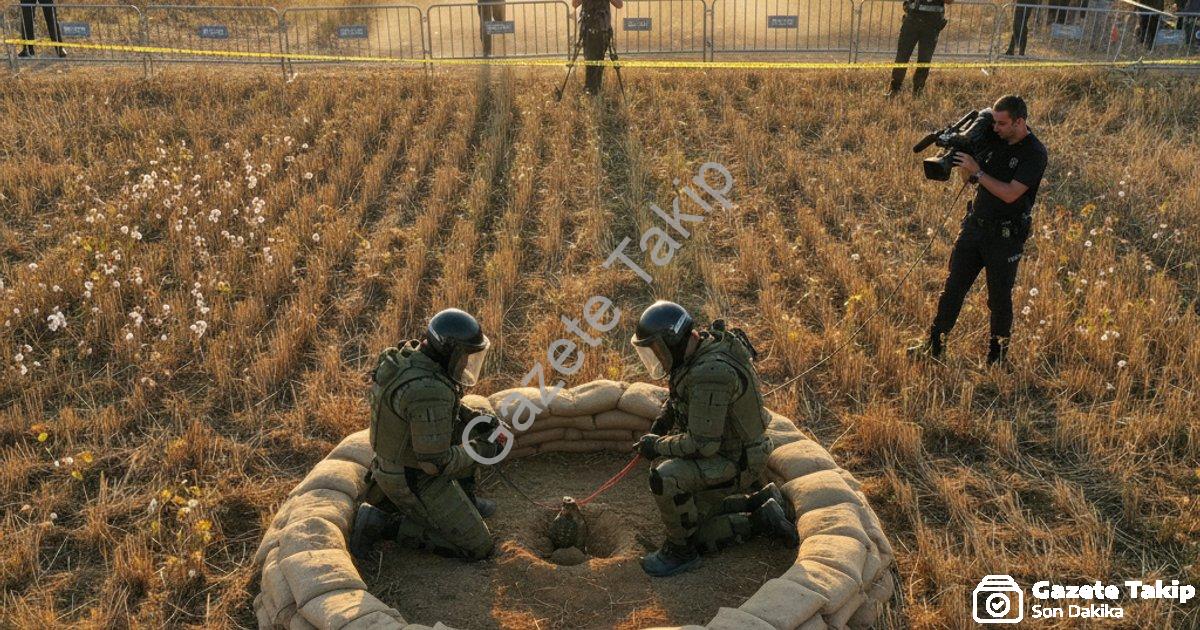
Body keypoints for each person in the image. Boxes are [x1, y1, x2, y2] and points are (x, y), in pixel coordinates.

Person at [630, 301, 798, 577]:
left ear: (674, 342)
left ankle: (683, 551)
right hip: (737, 449)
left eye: (658, 349)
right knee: (692, 511)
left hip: (737, 459)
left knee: (666, 479)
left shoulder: (710, 374)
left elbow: (702, 444)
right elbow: (679, 399)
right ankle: (761, 503)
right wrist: (661, 426)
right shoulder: (702, 347)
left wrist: (656, 446)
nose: (657, 358)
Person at [349, 308, 505, 561]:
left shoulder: (413, 358)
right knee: (478, 547)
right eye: (464, 355)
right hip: (412, 476)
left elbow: (431, 413)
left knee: (470, 430)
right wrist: (483, 449)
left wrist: (473, 418)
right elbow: (435, 463)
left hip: (397, 461)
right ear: (449, 351)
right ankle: (383, 524)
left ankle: (464, 499)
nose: (466, 363)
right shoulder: (428, 391)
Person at [914, 95, 1048, 366]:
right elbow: (971, 181)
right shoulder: (992, 139)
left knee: (999, 300)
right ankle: (934, 345)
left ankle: (997, 358)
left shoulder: (1034, 153)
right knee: (952, 289)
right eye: (994, 122)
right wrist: (966, 163)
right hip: (975, 227)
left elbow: (1010, 193)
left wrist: (978, 172)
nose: (995, 128)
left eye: (1002, 123)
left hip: (1005, 237)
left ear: (1019, 122)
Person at [886, 0, 954, 97]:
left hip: (931, 26)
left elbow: (949, 1)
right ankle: (894, 90)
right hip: (912, 22)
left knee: (924, 61)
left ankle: (917, 93)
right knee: (902, 57)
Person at [572, 0, 624, 95]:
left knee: (599, 61)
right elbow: (574, 4)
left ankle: (595, 90)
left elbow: (619, 5)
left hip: (603, 29)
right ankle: (591, 89)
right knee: (590, 61)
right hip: (588, 29)